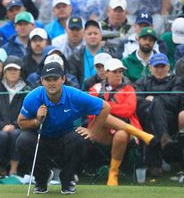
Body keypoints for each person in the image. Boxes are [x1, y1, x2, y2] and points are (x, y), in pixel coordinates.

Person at [17, 62, 155, 194]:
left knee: (80, 138)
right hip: (44, 137)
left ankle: (67, 180)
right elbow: (21, 123)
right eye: (48, 79)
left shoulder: (74, 95)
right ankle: (41, 180)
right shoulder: (33, 97)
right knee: (23, 140)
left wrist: (92, 131)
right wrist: (37, 120)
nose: (51, 83)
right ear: (42, 80)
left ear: (63, 79)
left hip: (67, 137)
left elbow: (104, 107)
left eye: (55, 79)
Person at [88, 58, 143, 186]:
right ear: (106, 73)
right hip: (101, 132)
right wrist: (108, 109)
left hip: (122, 132)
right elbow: (90, 112)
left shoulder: (129, 88)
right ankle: (135, 131)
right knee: (103, 117)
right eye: (114, 72)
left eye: (120, 71)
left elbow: (128, 110)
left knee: (121, 134)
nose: (118, 74)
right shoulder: (95, 88)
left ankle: (113, 173)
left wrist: (105, 107)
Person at [0, 56, 30, 185]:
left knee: (16, 134)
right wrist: (2, 125)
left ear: (21, 72)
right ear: (4, 72)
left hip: (18, 128)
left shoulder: (27, 89)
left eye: (15, 70)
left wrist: (14, 125)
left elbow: (29, 113)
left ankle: (13, 172)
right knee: (1, 136)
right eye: (9, 70)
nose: (12, 72)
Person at [135, 53, 182, 177]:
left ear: (168, 67)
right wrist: (156, 102)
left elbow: (175, 101)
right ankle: (164, 139)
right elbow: (137, 101)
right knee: (153, 111)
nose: (160, 70)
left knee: (155, 109)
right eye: (157, 67)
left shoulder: (176, 80)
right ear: (150, 68)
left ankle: (154, 165)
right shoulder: (142, 81)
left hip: (168, 118)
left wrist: (153, 99)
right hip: (145, 115)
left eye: (162, 67)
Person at [68, 20, 110, 88]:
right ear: (84, 36)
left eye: (95, 33)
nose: (92, 36)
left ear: (101, 36)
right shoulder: (74, 57)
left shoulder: (110, 55)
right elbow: (72, 82)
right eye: (89, 34)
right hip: (82, 96)